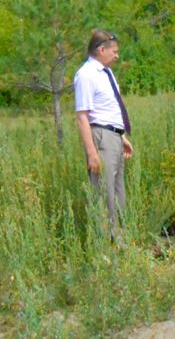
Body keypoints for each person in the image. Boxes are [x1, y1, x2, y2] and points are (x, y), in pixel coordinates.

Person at [74, 29, 133, 241]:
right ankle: (103, 249)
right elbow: (83, 117)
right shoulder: (87, 75)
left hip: (113, 138)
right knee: (103, 194)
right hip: (101, 138)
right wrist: (92, 154)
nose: (117, 55)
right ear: (101, 49)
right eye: (114, 51)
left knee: (117, 194)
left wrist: (121, 137)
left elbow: (108, 109)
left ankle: (120, 243)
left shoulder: (105, 73)